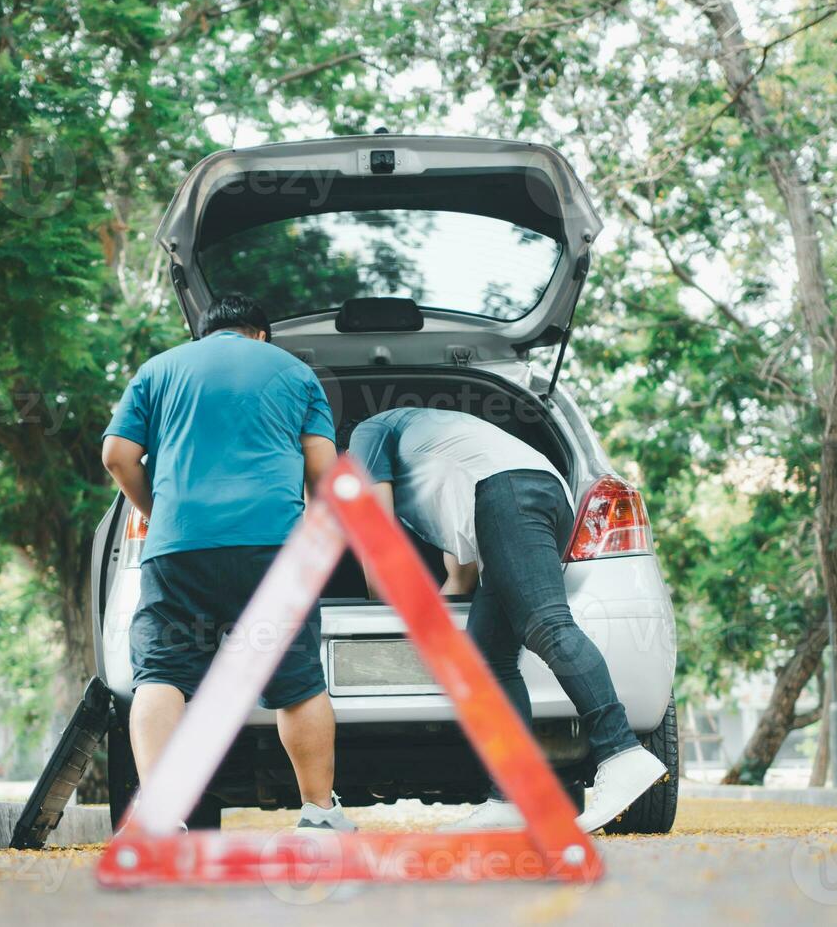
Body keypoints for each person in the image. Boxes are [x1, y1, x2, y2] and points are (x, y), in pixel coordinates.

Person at [102, 294, 355, 833]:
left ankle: (160, 817)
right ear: (260, 334)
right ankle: (318, 814)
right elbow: (324, 474)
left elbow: (117, 457)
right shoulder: (295, 373)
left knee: (162, 674)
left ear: (205, 333)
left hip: (177, 548)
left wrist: (160, 512)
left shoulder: (158, 370)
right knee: (298, 681)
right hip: (271, 550)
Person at [348, 407, 665, 832]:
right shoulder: (436, 468)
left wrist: (376, 610)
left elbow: (375, 528)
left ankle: (621, 752)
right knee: (487, 658)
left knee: (546, 623)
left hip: (510, 494)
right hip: (524, 497)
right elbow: (460, 575)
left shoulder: (368, 433)